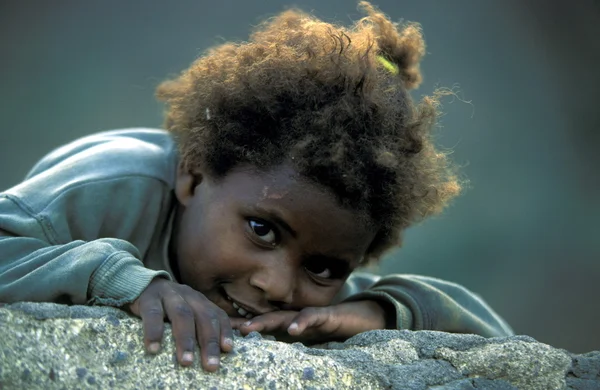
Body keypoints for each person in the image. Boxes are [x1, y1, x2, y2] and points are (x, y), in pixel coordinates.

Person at [0, 1, 512, 372]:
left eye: (323, 267)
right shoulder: (115, 184)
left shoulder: (311, 302)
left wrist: (378, 312)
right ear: (194, 174)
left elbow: (500, 342)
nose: (278, 286)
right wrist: (121, 276)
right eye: (262, 230)